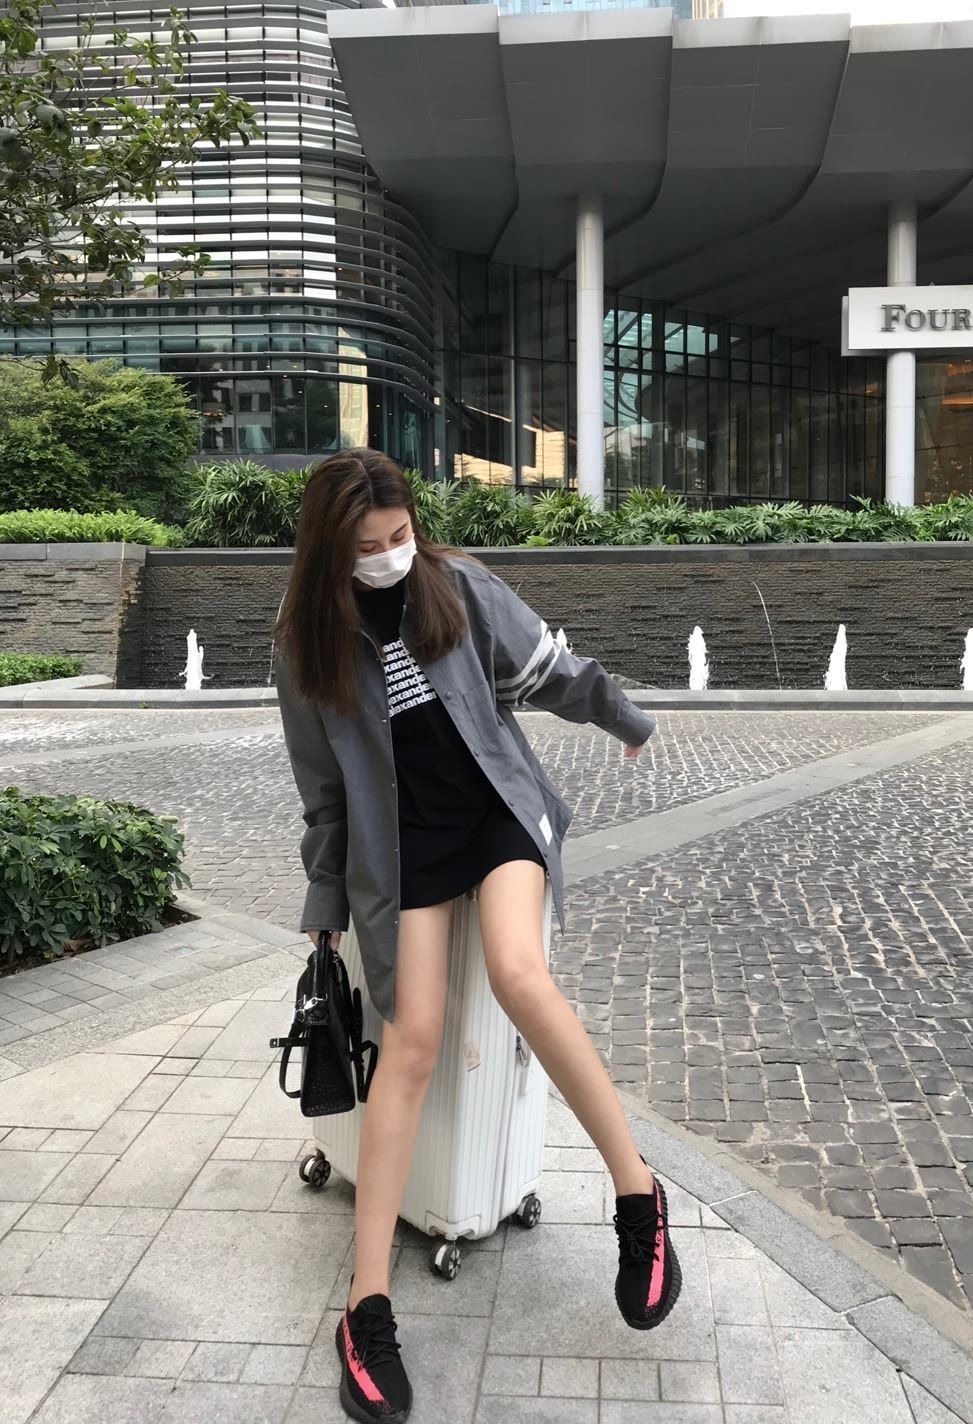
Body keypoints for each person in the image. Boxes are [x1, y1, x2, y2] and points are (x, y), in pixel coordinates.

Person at [272, 449, 681, 1424]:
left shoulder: (455, 585)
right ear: (329, 551)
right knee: (409, 1042)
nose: (389, 555)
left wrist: (623, 715)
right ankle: (366, 1306)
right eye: (367, 546)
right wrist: (324, 899)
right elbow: (324, 794)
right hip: (401, 847)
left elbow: (545, 669)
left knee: (518, 975)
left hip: (495, 811)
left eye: (400, 534)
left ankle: (639, 1199)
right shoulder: (303, 642)